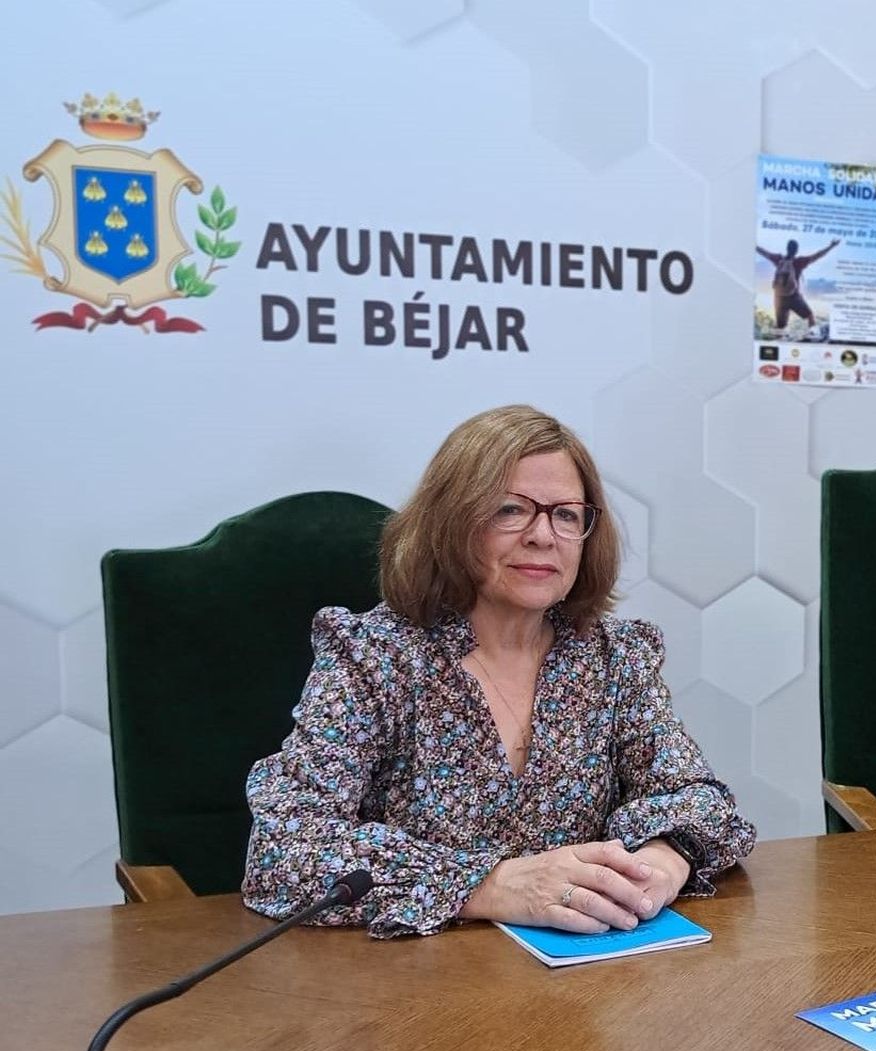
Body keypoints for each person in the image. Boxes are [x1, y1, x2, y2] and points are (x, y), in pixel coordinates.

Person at [241, 405, 757, 937]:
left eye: (566, 515)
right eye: (510, 510)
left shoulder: (615, 656)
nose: (542, 535)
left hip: (587, 989)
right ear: (450, 522)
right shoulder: (375, 656)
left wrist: (662, 859)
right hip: (416, 991)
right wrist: (491, 885)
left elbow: (696, 797)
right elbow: (285, 849)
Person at [757, 236, 839, 337]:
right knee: (810, 316)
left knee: (780, 327)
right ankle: (812, 336)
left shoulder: (778, 259)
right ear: (796, 251)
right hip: (794, 297)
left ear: (787, 248)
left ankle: (777, 344)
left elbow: (763, 252)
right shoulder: (799, 262)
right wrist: (831, 246)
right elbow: (818, 255)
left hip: (779, 298)